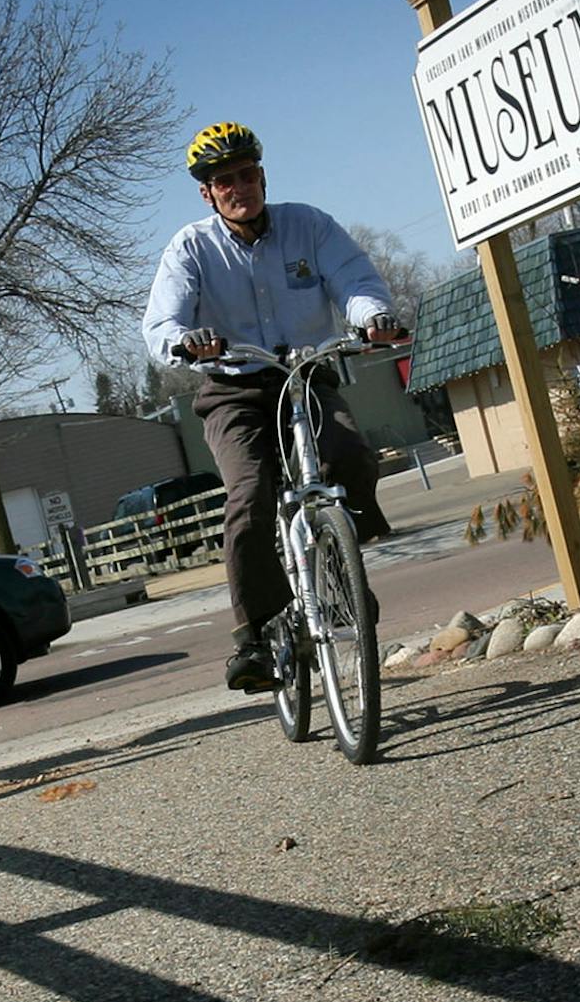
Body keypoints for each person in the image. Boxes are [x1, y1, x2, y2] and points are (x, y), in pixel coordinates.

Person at [141, 122, 405, 693]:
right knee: (250, 495)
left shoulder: (308, 226)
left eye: (246, 174)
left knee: (351, 455)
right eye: (224, 181)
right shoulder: (191, 247)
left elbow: (355, 280)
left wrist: (371, 316)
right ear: (207, 193)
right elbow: (161, 322)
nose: (240, 187)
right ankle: (255, 636)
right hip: (233, 387)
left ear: (262, 175)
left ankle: (342, 570)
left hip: (305, 376)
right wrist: (188, 341)